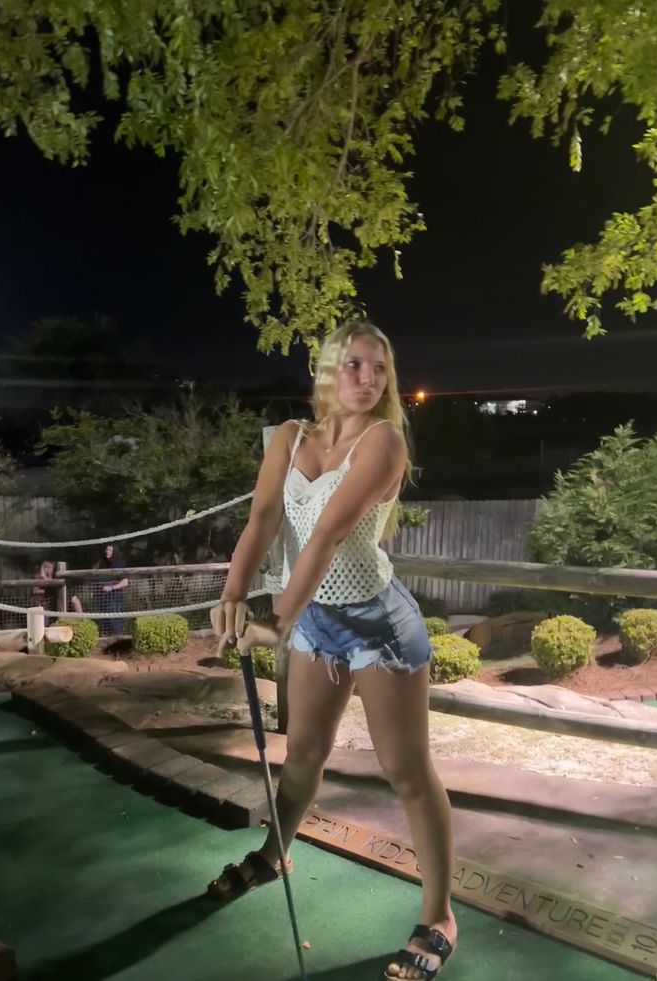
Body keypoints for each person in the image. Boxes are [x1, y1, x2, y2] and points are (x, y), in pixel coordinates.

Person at [208, 322, 457, 980]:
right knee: (304, 755)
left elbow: (324, 536)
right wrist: (233, 594)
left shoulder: (384, 443)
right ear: (327, 370)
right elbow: (263, 519)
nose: (368, 378)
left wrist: (275, 622)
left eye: (379, 366)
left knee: (406, 770)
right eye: (354, 364)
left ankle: (439, 914)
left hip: (377, 622)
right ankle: (273, 853)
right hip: (318, 618)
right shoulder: (289, 439)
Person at [98, 544, 129, 636]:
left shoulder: (119, 563)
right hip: (103, 597)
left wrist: (111, 588)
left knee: (114, 620)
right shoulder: (103, 563)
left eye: (110, 550)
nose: (107, 552)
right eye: (106, 549)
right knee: (105, 620)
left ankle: (117, 638)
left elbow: (125, 581)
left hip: (114, 597)